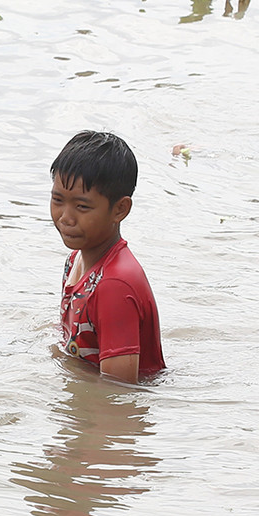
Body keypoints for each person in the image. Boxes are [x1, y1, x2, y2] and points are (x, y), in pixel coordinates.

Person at [50, 131, 165, 384]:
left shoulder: (113, 285)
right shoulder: (75, 261)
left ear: (120, 209)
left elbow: (117, 394)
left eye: (82, 207)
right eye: (58, 199)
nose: (65, 217)